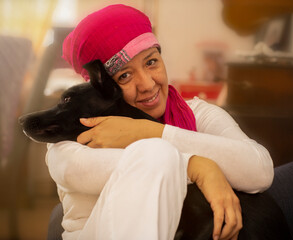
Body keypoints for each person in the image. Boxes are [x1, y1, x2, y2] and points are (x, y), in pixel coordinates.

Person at [46, 4, 275, 240]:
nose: (147, 84)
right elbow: (75, 167)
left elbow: (259, 171)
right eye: (124, 75)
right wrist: (199, 167)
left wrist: (151, 131)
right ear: (103, 88)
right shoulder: (79, 131)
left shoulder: (196, 112)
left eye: (151, 62)